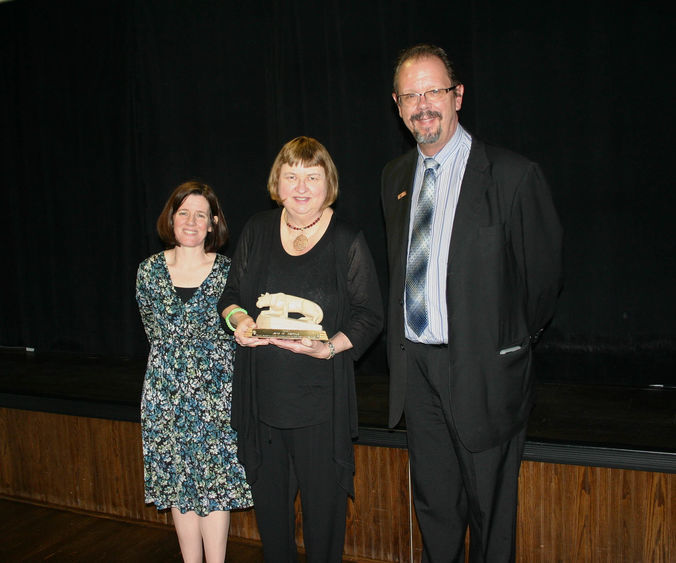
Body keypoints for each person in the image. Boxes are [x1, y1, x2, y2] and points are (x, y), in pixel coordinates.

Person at [381, 44, 563, 562]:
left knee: (490, 520)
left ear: (457, 95)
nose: (423, 105)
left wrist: (503, 343)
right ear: (397, 105)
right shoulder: (394, 179)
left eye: (433, 91)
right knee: (435, 512)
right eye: (410, 95)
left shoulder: (511, 176)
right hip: (417, 375)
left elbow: (543, 283)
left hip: (485, 376)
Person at [220, 136, 382, 562]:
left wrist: (329, 348)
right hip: (263, 402)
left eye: (313, 176)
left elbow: (369, 316)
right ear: (278, 183)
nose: (302, 187)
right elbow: (231, 295)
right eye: (291, 176)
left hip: (319, 407)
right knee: (272, 527)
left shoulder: (347, 240)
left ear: (329, 184)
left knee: (323, 526)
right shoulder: (256, 229)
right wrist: (239, 321)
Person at [136, 181, 253, 563]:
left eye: (200, 214)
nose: (191, 221)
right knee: (177, 482)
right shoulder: (148, 272)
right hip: (164, 393)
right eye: (183, 212)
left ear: (213, 223)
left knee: (215, 483)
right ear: (171, 219)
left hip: (216, 394)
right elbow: (154, 331)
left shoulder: (229, 273)